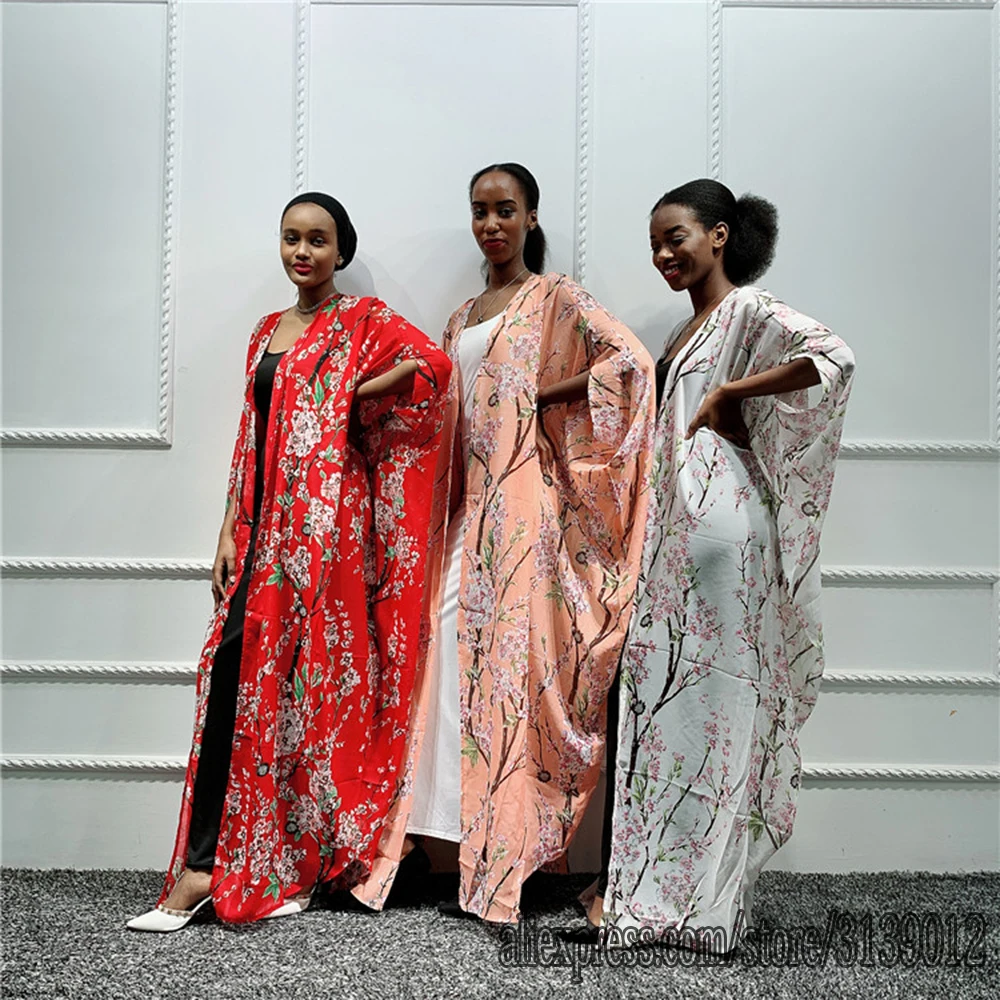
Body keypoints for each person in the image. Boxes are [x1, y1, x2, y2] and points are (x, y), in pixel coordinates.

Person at [127, 192, 452, 931]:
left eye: (318, 241)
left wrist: (353, 392)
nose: (303, 252)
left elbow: (430, 368)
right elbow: (252, 434)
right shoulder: (264, 332)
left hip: (326, 530)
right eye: (291, 239)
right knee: (232, 674)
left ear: (341, 251)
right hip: (263, 532)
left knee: (304, 693)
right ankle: (212, 863)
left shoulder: (362, 319)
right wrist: (227, 531)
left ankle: (277, 860)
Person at [351, 163, 656, 923]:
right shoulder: (461, 316)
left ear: (530, 217)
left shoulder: (554, 297)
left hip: (521, 503)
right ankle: (436, 839)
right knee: (444, 658)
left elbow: (628, 365)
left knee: (501, 670)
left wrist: (542, 398)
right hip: (464, 507)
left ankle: (496, 856)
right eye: (480, 211)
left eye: (505, 211)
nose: (491, 225)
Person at [593, 178, 855, 949]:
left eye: (675, 237)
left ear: (719, 235)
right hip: (680, 529)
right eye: (653, 244)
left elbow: (833, 355)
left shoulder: (747, 309)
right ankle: (659, 894)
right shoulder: (689, 329)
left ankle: (704, 903)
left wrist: (736, 390)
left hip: (722, 531)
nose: (662, 254)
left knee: (714, 708)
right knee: (672, 707)